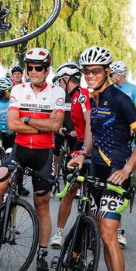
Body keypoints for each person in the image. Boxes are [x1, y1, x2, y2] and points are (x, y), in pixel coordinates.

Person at [70, 46, 136, 271]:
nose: (89, 75)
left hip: (116, 175)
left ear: (106, 72)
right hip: (96, 172)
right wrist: (82, 154)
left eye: (95, 71)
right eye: (86, 71)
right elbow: (93, 133)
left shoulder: (119, 98)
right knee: (103, 236)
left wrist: (127, 168)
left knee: (108, 234)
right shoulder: (94, 99)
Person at [0, 47, 64, 271]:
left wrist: (27, 120)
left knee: (42, 206)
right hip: (19, 150)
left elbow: (56, 125)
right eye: (30, 67)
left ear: (47, 69)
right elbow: (12, 124)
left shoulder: (57, 92)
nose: (33, 71)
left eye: (38, 67)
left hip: (43, 155)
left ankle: (42, 253)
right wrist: (41, 126)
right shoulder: (18, 89)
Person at [50, 61, 91, 249]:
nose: (59, 84)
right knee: (70, 189)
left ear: (66, 79)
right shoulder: (72, 97)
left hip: (89, 146)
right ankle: (59, 233)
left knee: (98, 192)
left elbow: (90, 124)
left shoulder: (82, 96)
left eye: (60, 81)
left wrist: (85, 151)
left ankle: (114, 231)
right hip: (79, 144)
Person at [110, 61, 136, 207]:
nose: (111, 77)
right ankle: (118, 187)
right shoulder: (112, 89)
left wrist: (133, 128)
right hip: (115, 131)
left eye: (112, 74)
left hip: (130, 130)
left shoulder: (133, 89)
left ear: (119, 74)